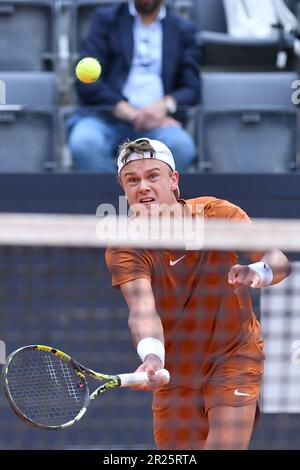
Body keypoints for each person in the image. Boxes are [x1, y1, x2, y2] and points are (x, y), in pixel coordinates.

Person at [105, 137, 291, 450]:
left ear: (173, 181)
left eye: (153, 176)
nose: (143, 187)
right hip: (174, 371)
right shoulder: (125, 245)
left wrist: (256, 272)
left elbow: (279, 262)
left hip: (234, 354)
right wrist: (152, 358)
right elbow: (142, 309)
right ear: (125, 190)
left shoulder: (218, 214)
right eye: (132, 180)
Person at [68, 0, 200, 172]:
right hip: (105, 118)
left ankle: (146, 197)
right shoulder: (106, 20)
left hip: (158, 123)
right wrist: (128, 111)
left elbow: (191, 88)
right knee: (84, 142)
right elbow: (86, 82)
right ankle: (114, 197)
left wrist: (164, 105)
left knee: (181, 146)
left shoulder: (182, 29)